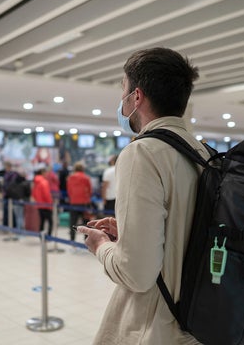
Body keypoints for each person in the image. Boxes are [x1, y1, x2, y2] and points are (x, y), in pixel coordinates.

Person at [77, 47, 206, 344]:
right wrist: (131, 235)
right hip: (199, 320)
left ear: (136, 97)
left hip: (158, 325)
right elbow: (185, 233)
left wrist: (101, 247)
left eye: (122, 89)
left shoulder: (143, 152)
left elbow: (136, 273)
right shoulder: (203, 153)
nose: (121, 101)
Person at [67, 161, 92, 241]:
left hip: (73, 202)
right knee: (86, 222)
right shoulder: (86, 178)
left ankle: (72, 240)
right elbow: (89, 191)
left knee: (73, 222)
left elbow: (69, 190)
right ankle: (86, 241)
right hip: (84, 203)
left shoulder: (70, 178)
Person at [31, 165, 53, 235]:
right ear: (43, 173)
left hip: (39, 205)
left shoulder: (36, 182)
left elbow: (33, 193)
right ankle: (49, 236)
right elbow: (46, 195)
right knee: (50, 222)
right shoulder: (44, 182)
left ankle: (41, 236)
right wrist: (50, 204)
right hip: (46, 205)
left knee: (42, 221)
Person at [2, 161, 18, 227]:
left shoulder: (13, 174)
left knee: (12, 211)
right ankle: (5, 224)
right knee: (6, 210)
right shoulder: (6, 174)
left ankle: (14, 225)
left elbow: (11, 185)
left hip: (10, 195)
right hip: (6, 195)